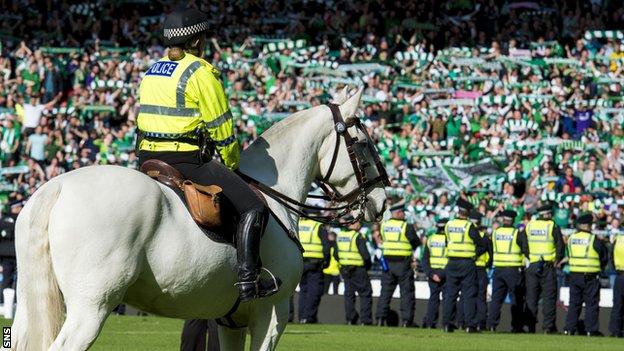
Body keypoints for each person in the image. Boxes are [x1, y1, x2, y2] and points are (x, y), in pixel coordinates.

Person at [135, 7, 279, 301]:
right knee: (254, 208)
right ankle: (248, 281)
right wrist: (231, 164)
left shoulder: (152, 70)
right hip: (185, 159)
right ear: (198, 40)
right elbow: (222, 128)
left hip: (146, 158)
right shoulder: (200, 72)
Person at [442, 198, 487, 333]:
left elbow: (446, 242)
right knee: (469, 294)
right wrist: (474, 255)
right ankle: (469, 325)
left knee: (450, 294)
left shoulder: (448, 225)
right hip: (466, 263)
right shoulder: (469, 226)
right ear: (467, 213)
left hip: (452, 262)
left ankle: (446, 324)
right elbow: (481, 244)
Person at [374, 205, 420, 327]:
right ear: (398, 213)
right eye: (402, 212)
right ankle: (406, 321)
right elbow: (416, 242)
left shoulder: (384, 225)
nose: (404, 215)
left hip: (388, 263)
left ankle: (380, 319)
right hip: (403, 263)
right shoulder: (406, 226)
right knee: (406, 293)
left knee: (385, 293)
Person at [522, 203, 564, 333]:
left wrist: (531, 257)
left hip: (533, 265)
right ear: (547, 214)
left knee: (531, 298)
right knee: (549, 298)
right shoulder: (552, 225)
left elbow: (523, 244)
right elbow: (560, 246)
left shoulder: (530, 226)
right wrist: (556, 260)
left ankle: (530, 327)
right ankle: (548, 327)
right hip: (548, 266)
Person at [563, 213, 608, 336]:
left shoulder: (571, 238)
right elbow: (604, 256)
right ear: (589, 225)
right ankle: (590, 330)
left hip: (574, 275)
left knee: (574, 303)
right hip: (590, 276)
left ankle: (569, 329)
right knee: (591, 304)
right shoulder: (593, 239)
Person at [486, 210, 528, 333]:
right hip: (513, 270)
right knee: (516, 299)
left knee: (496, 299)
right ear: (513, 220)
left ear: (503, 220)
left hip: (498, 269)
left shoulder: (495, 233)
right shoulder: (517, 233)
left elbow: (491, 249)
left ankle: (491, 325)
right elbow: (525, 249)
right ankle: (516, 327)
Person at [336, 221, 373, 325]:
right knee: (365, 294)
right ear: (351, 224)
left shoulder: (340, 235)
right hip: (358, 269)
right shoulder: (357, 236)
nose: (359, 225)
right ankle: (365, 320)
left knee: (349, 295)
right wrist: (367, 266)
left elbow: (335, 253)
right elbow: (365, 255)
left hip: (345, 270)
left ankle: (350, 319)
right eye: (357, 222)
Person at [297, 218, 331, 324]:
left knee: (303, 291)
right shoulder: (318, 225)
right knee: (314, 291)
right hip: (315, 264)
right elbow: (326, 246)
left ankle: (302, 317)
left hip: (301, 262)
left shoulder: (299, 224)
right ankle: (309, 317)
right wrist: (326, 261)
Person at [422, 218, 448, 328]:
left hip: (433, 274)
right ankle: (446, 324)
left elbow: (425, 260)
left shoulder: (430, 239)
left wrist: (431, 274)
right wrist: (442, 274)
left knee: (433, 299)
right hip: (446, 274)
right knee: (447, 300)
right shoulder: (450, 240)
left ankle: (430, 323)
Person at [469, 210, 492, 331]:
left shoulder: (466, 235)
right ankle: (481, 323)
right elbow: (491, 255)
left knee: (467, 296)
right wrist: (486, 264)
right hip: (481, 269)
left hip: (469, 268)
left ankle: (465, 322)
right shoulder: (485, 237)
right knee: (481, 296)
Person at [609, 230, 624, 338]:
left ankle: (615, 331)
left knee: (618, 304)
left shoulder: (618, 239)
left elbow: (611, 257)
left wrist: (617, 269)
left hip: (620, 275)